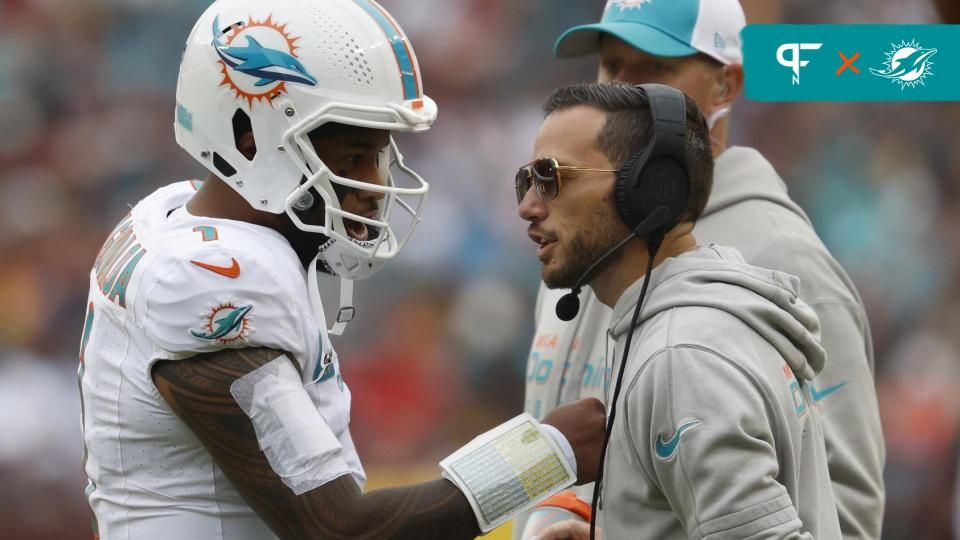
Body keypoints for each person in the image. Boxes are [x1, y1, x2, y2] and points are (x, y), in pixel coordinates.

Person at [77, 1, 607, 538]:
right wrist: (546, 453)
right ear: (248, 139)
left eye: (376, 154)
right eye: (352, 157)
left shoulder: (178, 216)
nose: (373, 187)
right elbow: (336, 529)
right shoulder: (206, 279)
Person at [518, 1, 884, 538]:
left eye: (655, 68)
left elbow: (844, 510)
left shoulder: (784, 255)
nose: (627, 91)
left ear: (726, 85)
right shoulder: (576, 240)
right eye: (613, 66)